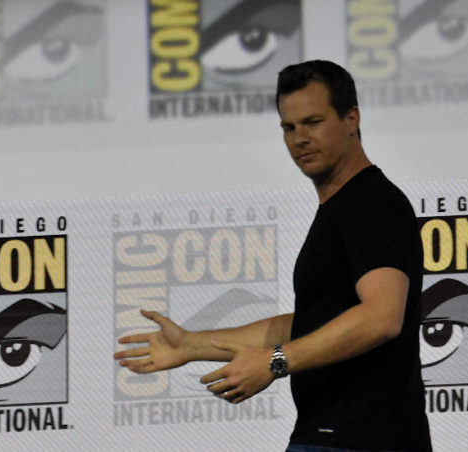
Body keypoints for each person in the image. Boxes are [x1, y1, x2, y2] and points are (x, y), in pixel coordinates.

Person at [114, 60, 432, 452]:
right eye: (289, 127)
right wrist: (192, 345)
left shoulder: (372, 204)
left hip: (363, 440)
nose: (300, 138)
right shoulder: (343, 208)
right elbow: (314, 323)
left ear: (352, 119)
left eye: (313, 122)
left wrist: (274, 361)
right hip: (334, 435)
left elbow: (381, 317)